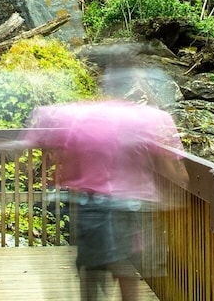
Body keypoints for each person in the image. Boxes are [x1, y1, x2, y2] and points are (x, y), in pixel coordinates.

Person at [23, 62, 185, 301]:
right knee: (126, 269)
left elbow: (38, 132)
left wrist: (47, 171)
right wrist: (181, 188)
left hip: (88, 207)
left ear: (104, 85)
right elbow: (172, 167)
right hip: (129, 207)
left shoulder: (76, 115)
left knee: (91, 270)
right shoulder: (149, 118)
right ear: (132, 86)